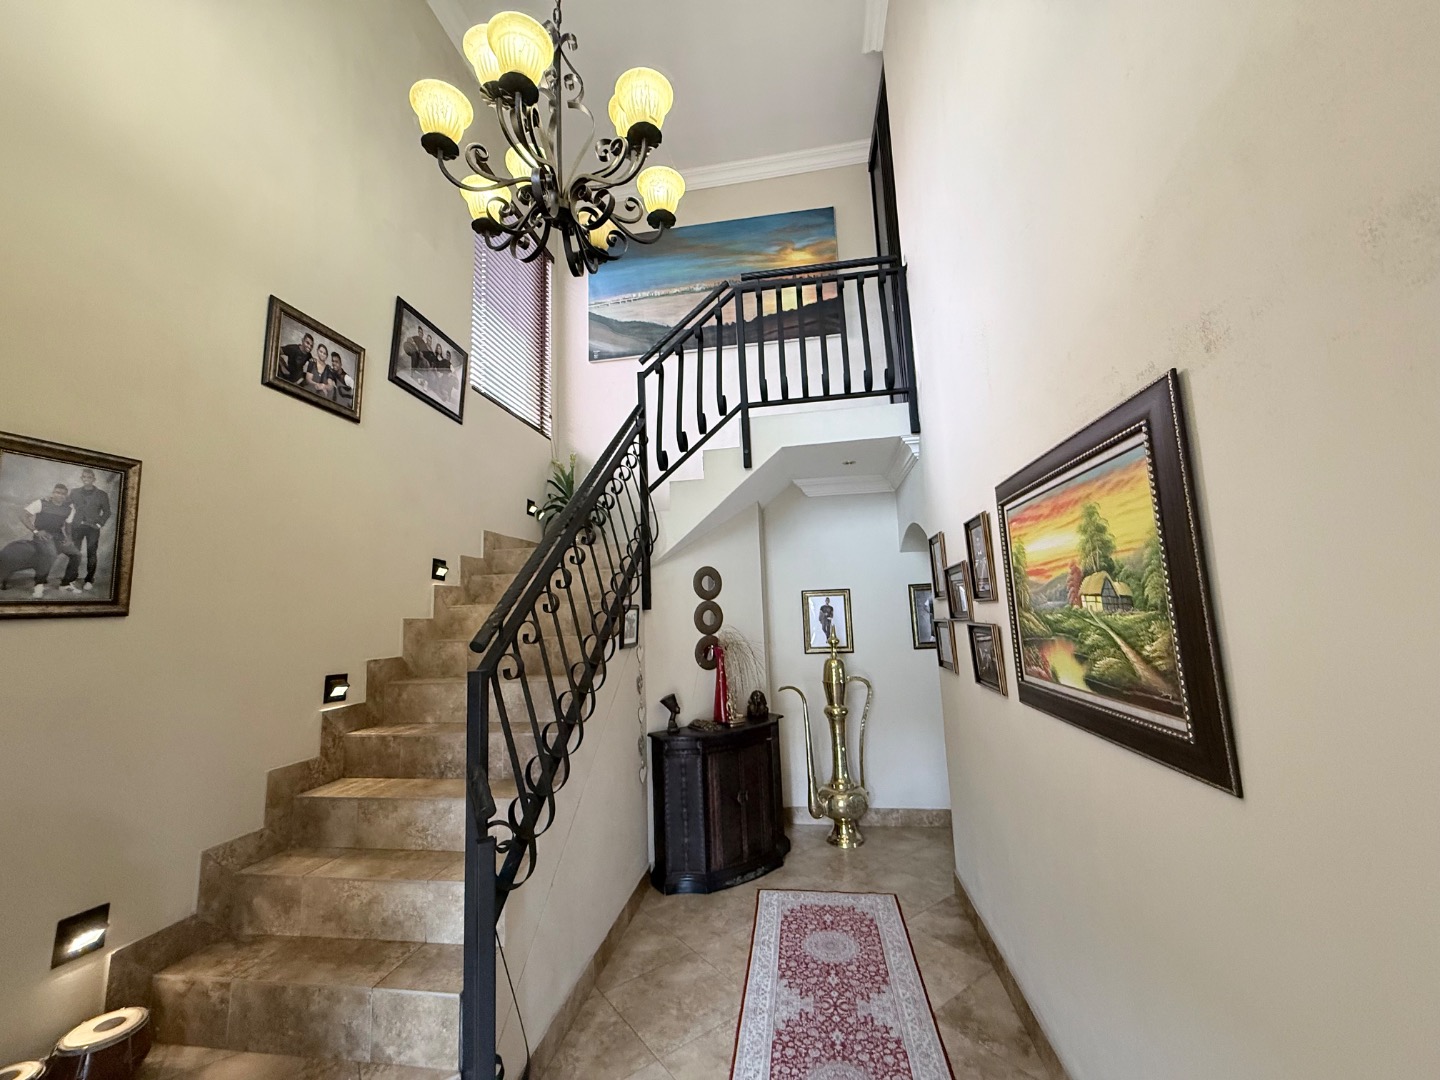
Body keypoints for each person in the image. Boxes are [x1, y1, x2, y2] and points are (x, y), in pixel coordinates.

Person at [22, 482, 79, 598]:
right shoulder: (41, 503)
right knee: (50, 554)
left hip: (58, 536)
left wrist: (69, 538)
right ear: (52, 493)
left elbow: (68, 525)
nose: (60, 495)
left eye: (63, 494)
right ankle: (39, 584)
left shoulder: (68, 509)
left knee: (77, 554)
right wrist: (36, 531)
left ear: (66, 496)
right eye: (57, 492)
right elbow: (23, 515)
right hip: (42, 535)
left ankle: (66, 583)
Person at [59, 468, 111, 593]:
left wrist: (99, 524)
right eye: (84, 477)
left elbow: (107, 512)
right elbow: (64, 504)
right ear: (81, 478)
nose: (86, 479)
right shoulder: (75, 492)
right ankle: (71, 578)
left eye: (89, 477)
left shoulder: (102, 494)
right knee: (75, 553)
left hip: (93, 528)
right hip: (77, 527)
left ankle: (89, 580)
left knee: (91, 553)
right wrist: (52, 501)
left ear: (94, 479)